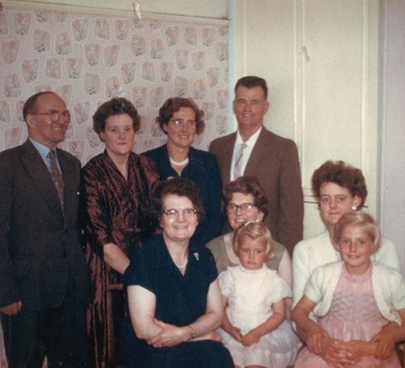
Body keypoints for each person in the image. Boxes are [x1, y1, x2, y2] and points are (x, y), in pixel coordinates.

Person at [0, 91, 90, 367]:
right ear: (30, 119)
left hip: (70, 292)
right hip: (26, 295)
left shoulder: (72, 164)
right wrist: (6, 292)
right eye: (53, 113)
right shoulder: (6, 164)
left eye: (64, 114)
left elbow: (74, 228)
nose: (61, 120)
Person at [120, 178, 234, 368]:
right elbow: (143, 329)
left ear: (197, 217)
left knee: (219, 355)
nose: (181, 219)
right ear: (160, 219)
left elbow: (215, 313)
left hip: (189, 341)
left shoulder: (204, 256)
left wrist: (185, 333)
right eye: (171, 212)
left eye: (188, 211)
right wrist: (198, 336)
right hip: (153, 347)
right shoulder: (146, 257)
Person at [80, 97, 159, 367]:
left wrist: (151, 272)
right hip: (105, 272)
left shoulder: (147, 167)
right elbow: (100, 237)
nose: (122, 135)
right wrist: (138, 277)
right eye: (114, 129)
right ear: (101, 133)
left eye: (127, 128)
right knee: (109, 348)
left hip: (146, 266)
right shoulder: (91, 173)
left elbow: (159, 222)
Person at [293, 211, 405, 367]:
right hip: (331, 347)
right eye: (346, 241)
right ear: (337, 244)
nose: (353, 248)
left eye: (361, 242)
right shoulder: (323, 274)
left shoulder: (390, 278)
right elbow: (299, 311)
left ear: (373, 245)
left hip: (372, 349)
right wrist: (312, 329)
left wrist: (392, 337)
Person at [209, 75, 303, 254]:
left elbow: (292, 214)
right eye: (242, 101)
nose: (247, 109)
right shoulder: (218, 147)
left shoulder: (284, 149)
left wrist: (286, 256)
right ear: (234, 105)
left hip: (264, 249)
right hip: (226, 250)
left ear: (265, 107)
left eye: (254, 102)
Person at [292, 160, 401, 308]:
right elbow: (300, 316)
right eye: (325, 199)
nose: (332, 205)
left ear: (356, 200)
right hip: (320, 329)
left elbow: (395, 309)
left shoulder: (384, 248)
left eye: (340, 199)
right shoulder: (305, 251)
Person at [218, 221, 300, 368]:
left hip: (263, 332)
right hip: (233, 331)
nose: (251, 256)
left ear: (267, 251)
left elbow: (279, 314)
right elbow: (219, 309)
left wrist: (257, 332)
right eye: (246, 250)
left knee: (256, 363)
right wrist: (229, 329)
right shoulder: (229, 276)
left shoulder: (272, 279)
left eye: (257, 251)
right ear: (237, 249)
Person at [143, 97, 224, 245]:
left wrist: (195, 248)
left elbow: (216, 215)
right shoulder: (147, 161)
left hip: (201, 247)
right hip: (158, 249)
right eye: (178, 122)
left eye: (190, 123)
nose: (185, 129)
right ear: (165, 125)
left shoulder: (208, 162)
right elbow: (144, 216)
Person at [206, 176, 292, 289]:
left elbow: (287, 303)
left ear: (260, 214)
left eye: (247, 206)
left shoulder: (278, 253)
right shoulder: (213, 249)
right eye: (232, 206)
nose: (238, 212)